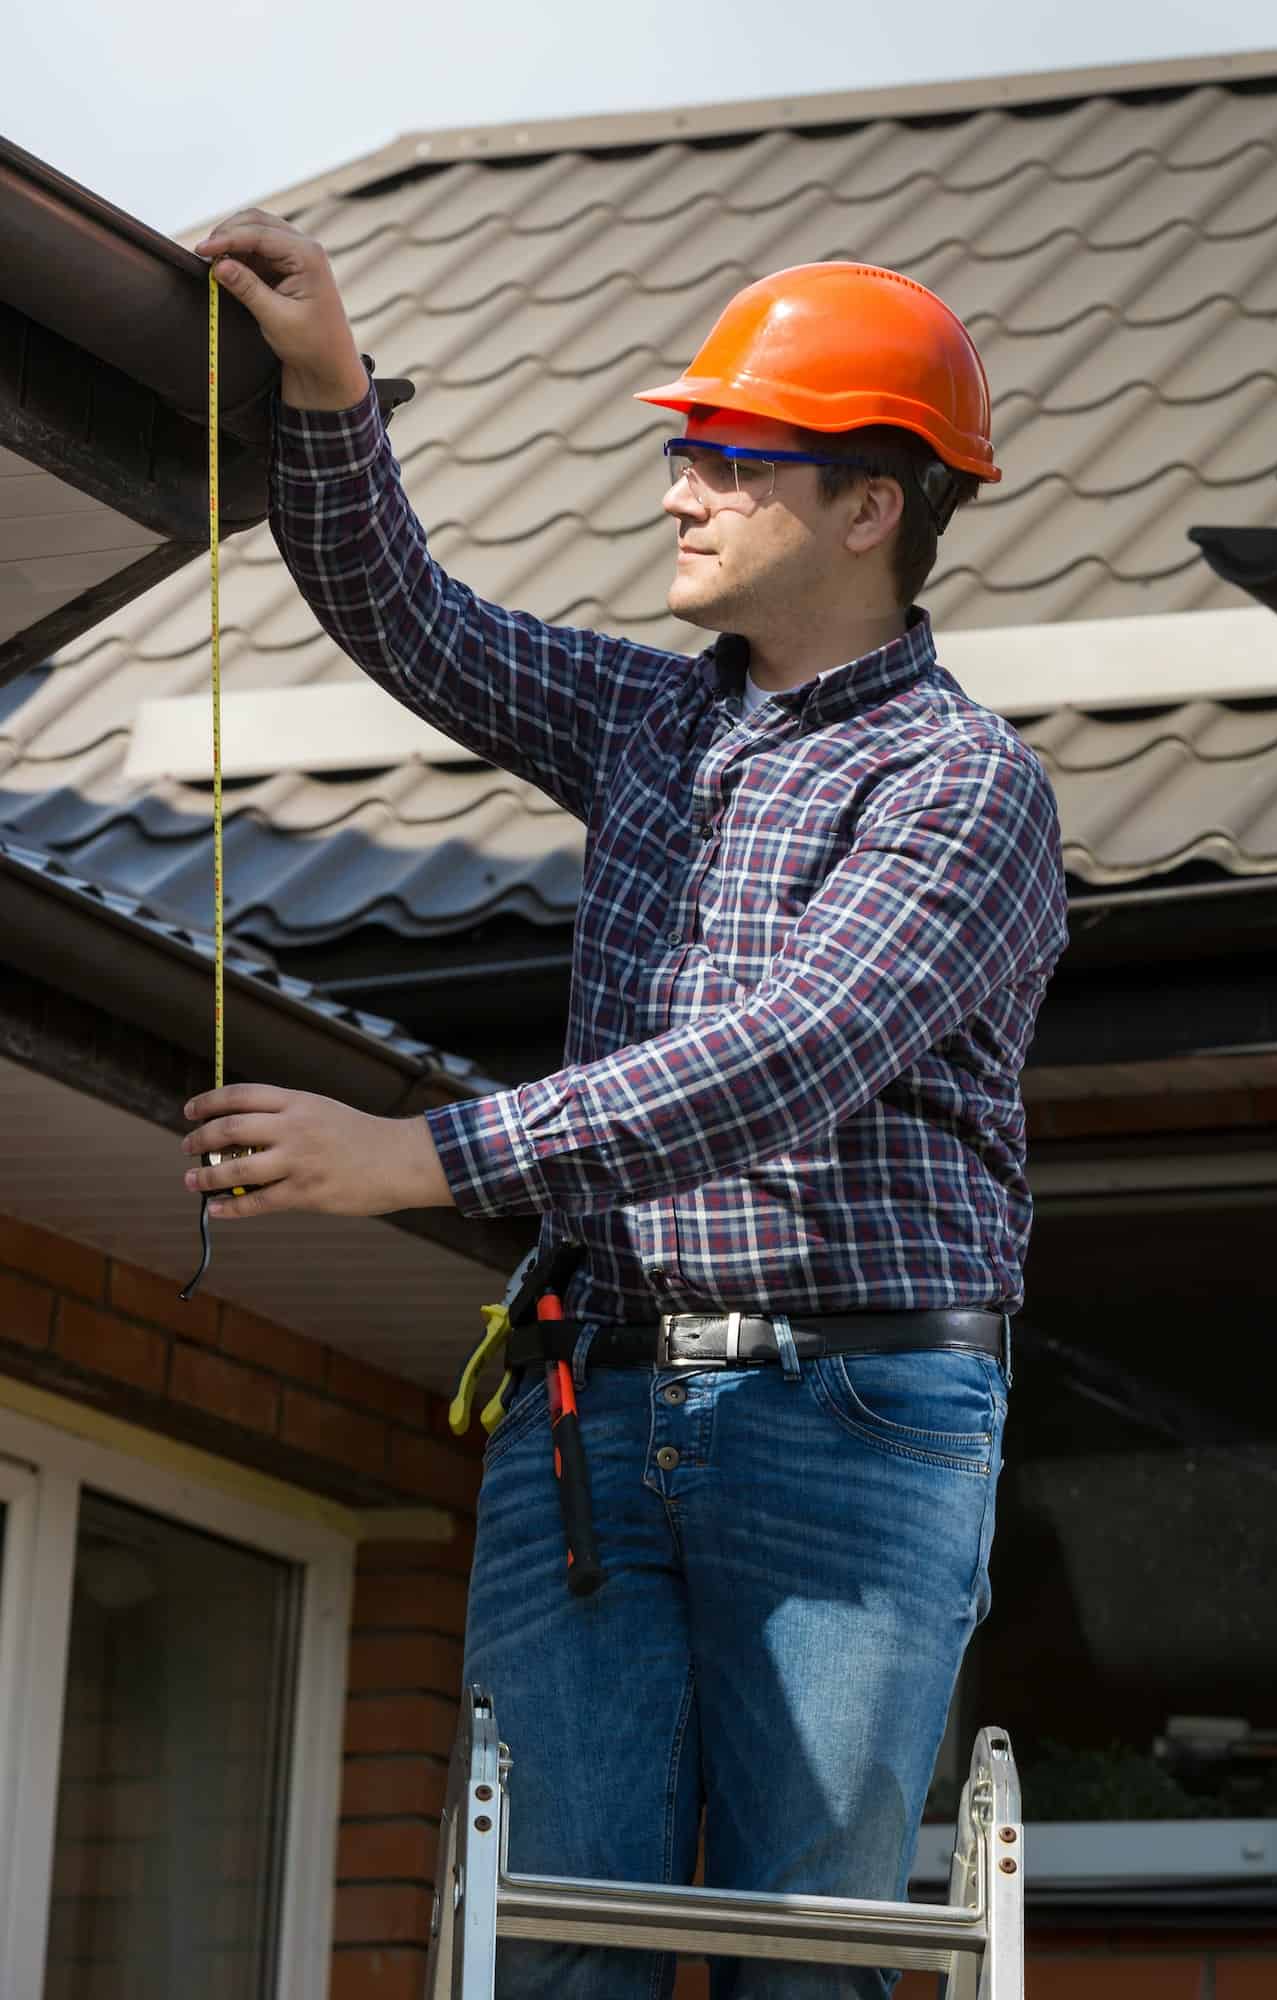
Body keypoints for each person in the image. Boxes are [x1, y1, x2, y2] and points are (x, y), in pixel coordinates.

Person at [183, 214, 1068, 1999]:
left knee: (797, 1963)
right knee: (552, 1958)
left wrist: (422, 1155)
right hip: (598, 1404)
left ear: (869, 505)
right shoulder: (658, 725)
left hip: (856, 1415)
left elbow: (789, 1055)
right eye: (687, 448)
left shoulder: (964, 787)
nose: (680, 487)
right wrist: (331, 389)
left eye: (731, 457)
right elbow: (405, 618)